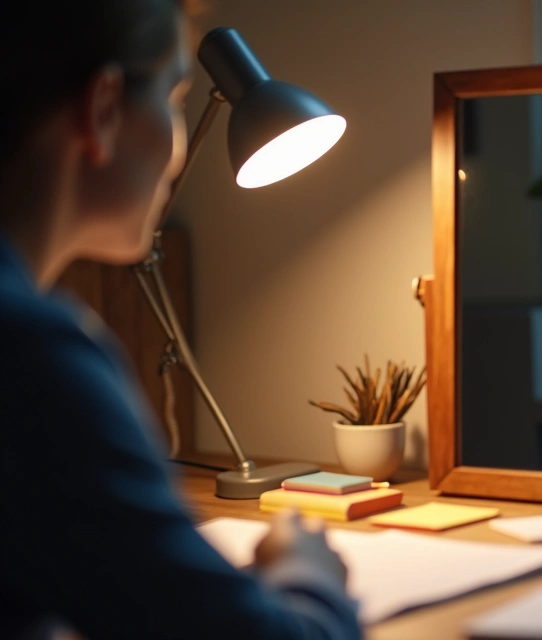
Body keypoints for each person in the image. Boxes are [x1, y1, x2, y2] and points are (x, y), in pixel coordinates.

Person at [0, 2, 360, 638]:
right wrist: (310, 572)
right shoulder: (30, 354)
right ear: (103, 107)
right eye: (174, 100)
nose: (175, 151)